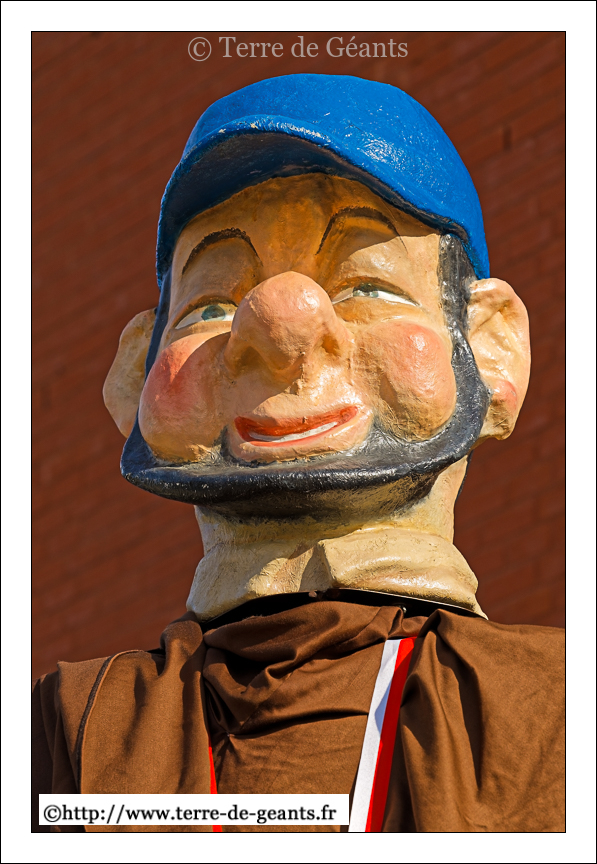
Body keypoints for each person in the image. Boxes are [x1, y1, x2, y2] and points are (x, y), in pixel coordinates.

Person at [32, 74, 564, 833]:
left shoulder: (558, 712)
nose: (280, 326)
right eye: (212, 305)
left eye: (366, 288)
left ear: (489, 347)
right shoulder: (67, 734)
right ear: (133, 376)